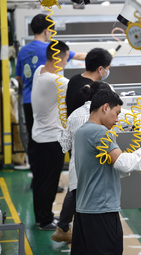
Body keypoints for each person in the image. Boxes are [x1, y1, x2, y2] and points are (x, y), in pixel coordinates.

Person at [71, 89, 141, 255]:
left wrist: (138, 163)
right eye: (116, 113)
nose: (117, 120)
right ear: (105, 108)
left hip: (85, 211)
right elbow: (122, 163)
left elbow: (103, 167)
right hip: (101, 211)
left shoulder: (82, 132)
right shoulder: (100, 132)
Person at [15, 13, 86, 189]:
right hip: (48, 102)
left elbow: (19, 77)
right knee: (51, 143)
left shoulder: (23, 50)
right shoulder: (52, 49)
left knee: (34, 142)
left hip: (28, 101)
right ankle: (49, 181)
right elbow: (77, 56)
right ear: (48, 31)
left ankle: (37, 178)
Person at [51, 82, 112, 243]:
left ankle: (68, 231)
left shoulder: (74, 115)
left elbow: (64, 145)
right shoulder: (105, 115)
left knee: (77, 202)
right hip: (99, 172)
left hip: (77, 168)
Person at [31, 40, 70, 230]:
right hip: (51, 140)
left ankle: (41, 216)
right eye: (65, 59)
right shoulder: (57, 81)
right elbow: (81, 88)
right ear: (57, 58)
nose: (66, 63)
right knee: (49, 181)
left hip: (38, 137)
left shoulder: (40, 71)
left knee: (39, 180)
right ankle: (46, 220)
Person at [66, 47, 112, 117]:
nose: (107, 72)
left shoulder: (73, 80)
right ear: (100, 69)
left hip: (72, 125)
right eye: (108, 68)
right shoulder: (96, 89)